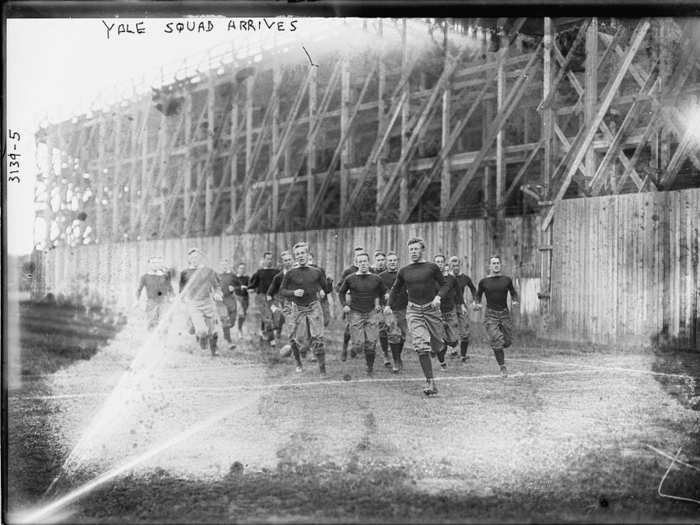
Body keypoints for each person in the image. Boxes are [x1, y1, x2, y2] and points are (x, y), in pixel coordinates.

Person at [387, 238, 448, 396]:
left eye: (416, 249)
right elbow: (395, 289)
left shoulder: (432, 267)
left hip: (432, 310)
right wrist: (388, 305)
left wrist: (438, 297)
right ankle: (430, 382)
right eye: (411, 250)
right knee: (421, 346)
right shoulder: (404, 271)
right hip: (414, 311)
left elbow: (445, 284)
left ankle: (436, 347)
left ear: (422, 250)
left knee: (438, 344)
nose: (413, 252)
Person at [280, 242, 328, 375]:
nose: (300, 256)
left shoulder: (317, 271)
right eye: (297, 254)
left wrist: (325, 288)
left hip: (314, 306)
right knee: (298, 339)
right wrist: (293, 293)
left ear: (307, 254)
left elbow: (324, 287)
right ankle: (299, 363)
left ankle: (322, 369)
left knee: (318, 337)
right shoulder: (290, 273)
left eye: (302, 253)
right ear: (295, 257)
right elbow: (282, 291)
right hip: (298, 308)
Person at [338, 252, 387, 376]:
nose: (363, 264)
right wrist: (344, 305)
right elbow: (341, 292)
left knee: (371, 343)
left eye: (365, 261)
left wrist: (379, 304)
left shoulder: (376, 278)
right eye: (360, 262)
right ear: (356, 263)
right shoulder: (350, 278)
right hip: (355, 313)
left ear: (369, 262)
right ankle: (354, 348)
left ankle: (369, 368)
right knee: (358, 345)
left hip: (371, 313)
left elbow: (383, 293)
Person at [474, 255, 519, 377]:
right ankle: (502, 367)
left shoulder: (507, 280)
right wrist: (477, 304)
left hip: (504, 314)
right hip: (491, 314)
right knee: (497, 340)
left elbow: (513, 292)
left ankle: (498, 346)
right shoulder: (484, 282)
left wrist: (515, 300)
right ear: (489, 266)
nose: (496, 265)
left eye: (498, 263)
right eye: (493, 263)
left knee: (507, 341)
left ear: (500, 265)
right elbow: (478, 295)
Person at [179, 248, 222, 355]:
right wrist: (182, 302)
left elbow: (217, 286)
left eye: (197, 257)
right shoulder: (185, 273)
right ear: (189, 259)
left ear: (201, 258)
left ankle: (214, 348)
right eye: (192, 257)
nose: (195, 259)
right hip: (194, 304)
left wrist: (217, 293)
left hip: (208, 302)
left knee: (213, 330)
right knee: (202, 331)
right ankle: (201, 338)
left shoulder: (208, 271)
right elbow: (181, 291)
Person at [379, 251, 408, 373]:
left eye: (394, 260)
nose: (392, 262)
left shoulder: (403, 275)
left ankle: (398, 356)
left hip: (403, 308)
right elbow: (377, 292)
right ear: (387, 262)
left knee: (403, 336)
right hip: (389, 310)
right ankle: (396, 361)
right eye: (390, 260)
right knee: (394, 334)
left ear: (397, 262)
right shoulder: (381, 276)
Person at [337, 246, 366, 361]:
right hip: (352, 303)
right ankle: (344, 348)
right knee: (350, 327)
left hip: (366, 303)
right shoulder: (348, 271)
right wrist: (347, 293)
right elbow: (339, 287)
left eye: (362, 255)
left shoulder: (368, 270)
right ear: (354, 257)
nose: (360, 257)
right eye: (357, 255)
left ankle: (355, 348)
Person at [433, 254, 461, 371]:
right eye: (437, 262)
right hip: (437, 313)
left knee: (454, 340)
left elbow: (458, 292)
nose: (439, 263)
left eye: (441, 261)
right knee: (441, 341)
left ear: (444, 264)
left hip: (450, 312)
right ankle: (442, 362)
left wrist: (461, 305)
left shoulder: (451, 278)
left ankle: (451, 346)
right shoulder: (431, 279)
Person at [449, 256, 477, 361]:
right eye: (453, 265)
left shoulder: (465, 278)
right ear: (450, 266)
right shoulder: (447, 278)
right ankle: (452, 350)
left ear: (460, 265)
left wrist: (475, 301)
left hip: (461, 306)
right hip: (449, 307)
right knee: (451, 329)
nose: (455, 267)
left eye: (457, 265)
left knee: (465, 331)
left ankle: (463, 355)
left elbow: (473, 289)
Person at [249, 252, 281, 344]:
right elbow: (253, 284)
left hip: (272, 297)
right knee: (267, 317)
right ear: (263, 259)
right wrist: (250, 289)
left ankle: (263, 331)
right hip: (262, 297)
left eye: (271, 259)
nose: (269, 260)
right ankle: (271, 340)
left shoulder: (276, 272)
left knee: (275, 316)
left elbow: (280, 284)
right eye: (267, 258)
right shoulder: (259, 272)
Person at [136, 256, 174, 330]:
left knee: (164, 322)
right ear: (149, 264)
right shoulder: (145, 277)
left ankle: (163, 339)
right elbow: (139, 290)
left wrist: (172, 297)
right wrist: (137, 300)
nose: (155, 264)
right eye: (153, 263)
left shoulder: (165, 276)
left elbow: (170, 288)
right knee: (152, 323)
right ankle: (153, 338)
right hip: (151, 302)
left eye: (157, 263)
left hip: (164, 301)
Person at [267, 250, 295, 351]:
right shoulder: (278, 277)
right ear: (282, 263)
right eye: (285, 260)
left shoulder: (298, 273)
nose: (288, 262)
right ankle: (293, 347)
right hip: (286, 304)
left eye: (289, 259)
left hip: (300, 304)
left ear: (292, 260)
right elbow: (269, 294)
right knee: (291, 325)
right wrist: (273, 306)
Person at [371, 250, 391, 368]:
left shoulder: (390, 272)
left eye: (383, 260)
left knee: (394, 330)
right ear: (375, 261)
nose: (381, 262)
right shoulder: (372, 273)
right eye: (378, 260)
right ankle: (385, 354)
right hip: (378, 305)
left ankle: (391, 351)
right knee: (382, 329)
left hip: (392, 305)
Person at [217, 258, 240, 348]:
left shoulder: (232, 275)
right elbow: (213, 287)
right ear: (220, 266)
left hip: (230, 299)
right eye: (222, 265)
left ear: (228, 265)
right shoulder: (218, 276)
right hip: (221, 301)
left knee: (232, 321)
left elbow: (239, 286)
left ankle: (226, 330)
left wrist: (234, 288)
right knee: (225, 320)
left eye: (225, 265)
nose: (223, 266)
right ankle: (228, 340)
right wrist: (217, 293)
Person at [234, 263, 250, 337]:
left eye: (243, 268)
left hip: (245, 298)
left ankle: (239, 327)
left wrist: (248, 288)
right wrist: (240, 287)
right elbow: (232, 288)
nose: (242, 270)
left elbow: (250, 286)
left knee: (244, 314)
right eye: (240, 268)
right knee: (241, 314)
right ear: (237, 269)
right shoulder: (234, 278)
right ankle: (239, 330)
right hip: (237, 297)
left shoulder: (247, 278)